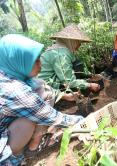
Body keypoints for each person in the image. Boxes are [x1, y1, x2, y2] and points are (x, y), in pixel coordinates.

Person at [0, 34, 84, 165]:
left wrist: (64, 95)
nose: (41, 63)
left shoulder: (7, 72)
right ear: (20, 61)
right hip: (2, 148)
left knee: (43, 89)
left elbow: (43, 89)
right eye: (36, 60)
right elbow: (53, 117)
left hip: (6, 127)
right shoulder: (15, 90)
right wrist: (84, 121)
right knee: (30, 118)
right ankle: (17, 157)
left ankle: (31, 143)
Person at [38, 24, 100, 94]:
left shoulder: (58, 50)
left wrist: (88, 75)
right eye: (77, 42)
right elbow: (68, 81)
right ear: (70, 41)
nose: (79, 45)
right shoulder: (61, 54)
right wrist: (89, 85)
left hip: (46, 84)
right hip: (45, 89)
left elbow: (73, 68)